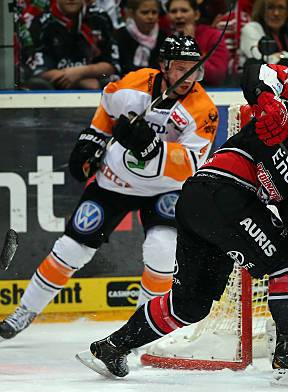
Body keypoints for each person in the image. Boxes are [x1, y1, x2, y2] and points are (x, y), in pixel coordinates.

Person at [76, 66, 288, 382]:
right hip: (220, 191)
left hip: (207, 205)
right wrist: (268, 100)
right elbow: (262, 70)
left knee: (190, 305)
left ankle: (113, 346)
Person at [0, 35, 218, 341]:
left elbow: (191, 164)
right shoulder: (134, 84)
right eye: (181, 68)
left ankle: (141, 332)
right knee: (70, 249)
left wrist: (151, 148)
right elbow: (107, 105)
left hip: (166, 189)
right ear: (164, 66)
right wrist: (93, 138)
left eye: (194, 69)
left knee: (162, 251)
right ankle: (25, 310)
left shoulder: (203, 110)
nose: (187, 77)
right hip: (115, 181)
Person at [22, 0, 120, 90]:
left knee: (110, 81)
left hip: (96, 84)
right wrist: (80, 81)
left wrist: (80, 72)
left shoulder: (100, 18)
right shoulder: (41, 23)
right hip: (56, 88)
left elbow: (111, 66)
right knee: (38, 84)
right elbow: (38, 71)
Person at [240, 0, 288, 81]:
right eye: (270, 8)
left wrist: (282, 55)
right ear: (261, 11)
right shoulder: (251, 28)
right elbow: (260, 59)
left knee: (286, 64)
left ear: (287, 12)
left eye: (281, 8)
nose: (276, 13)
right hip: (252, 85)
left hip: (286, 85)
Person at [166, 0, 230, 85]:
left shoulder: (213, 35)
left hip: (207, 91)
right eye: (173, 11)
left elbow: (217, 76)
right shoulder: (165, 37)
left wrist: (192, 47)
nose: (178, 16)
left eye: (184, 11)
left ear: (196, 15)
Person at [115, 0, 168, 75]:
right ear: (132, 14)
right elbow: (124, 65)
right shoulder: (122, 34)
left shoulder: (163, 36)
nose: (150, 17)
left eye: (154, 12)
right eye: (145, 12)